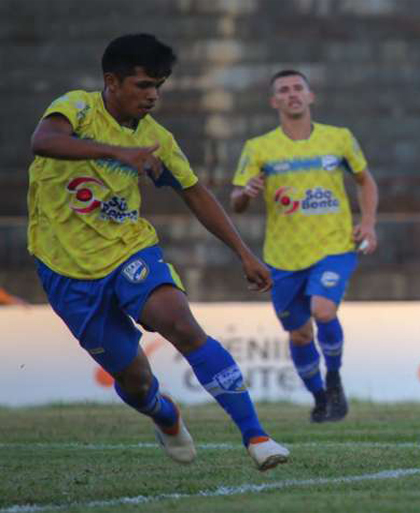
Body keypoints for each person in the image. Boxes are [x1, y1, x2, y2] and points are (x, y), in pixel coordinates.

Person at [27, 33, 289, 471]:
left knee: (180, 323)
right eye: (143, 85)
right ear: (112, 81)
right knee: (134, 380)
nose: (152, 96)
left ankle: (256, 436)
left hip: (130, 251)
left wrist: (245, 253)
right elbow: (43, 141)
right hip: (65, 269)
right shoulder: (77, 107)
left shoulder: (156, 140)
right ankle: (164, 414)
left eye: (158, 87)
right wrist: (117, 152)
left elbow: (196, 193)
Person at [230, 69, 378, 423]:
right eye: (284, 90)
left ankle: (335, 378)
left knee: (324, 310)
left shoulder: (339, 139)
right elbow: (235, 199)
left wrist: (369, 223)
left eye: (298, 88)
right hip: (282, 256)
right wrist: (245, 194)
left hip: (334, 246)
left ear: (311, 96)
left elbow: (365, 180)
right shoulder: (259, 148)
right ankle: (320, 398)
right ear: (274, 101)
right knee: (299, 334)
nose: (292, 94)